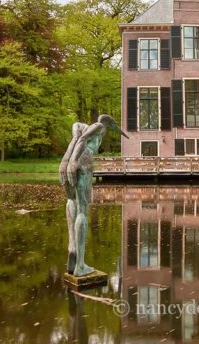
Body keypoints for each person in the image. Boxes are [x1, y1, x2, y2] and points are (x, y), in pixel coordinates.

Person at [59, 114, 128, 276]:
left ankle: (72, 248)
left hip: (67, 162)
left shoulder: (79, 126)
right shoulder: (99, 127)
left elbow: (77, 136)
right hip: (83, 163)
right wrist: (75, 160)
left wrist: (66, 160)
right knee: (83, 210)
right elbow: (83, 138)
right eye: (112, 125)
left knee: (71, 200)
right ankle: (80, 265)